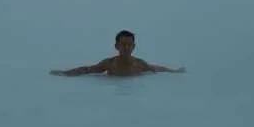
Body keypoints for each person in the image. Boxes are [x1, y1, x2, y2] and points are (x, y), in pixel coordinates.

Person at [50, 30, 185, 76]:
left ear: (134, 47)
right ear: (116, 46)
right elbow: (87, 70)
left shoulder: (139, 64)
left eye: (129, 45)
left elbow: (156, 68)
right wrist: (64, 73)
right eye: (123, 44)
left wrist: (174, 72)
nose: (126, 48)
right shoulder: (109, 64)